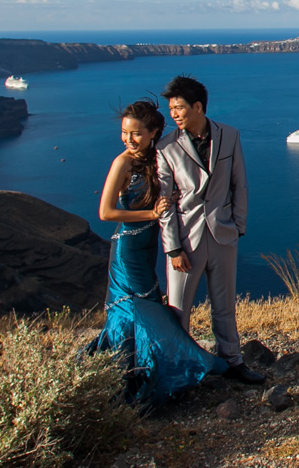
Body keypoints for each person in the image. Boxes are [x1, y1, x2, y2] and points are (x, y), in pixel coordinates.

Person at [86, 100, 229, 407]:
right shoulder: (121, 163)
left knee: (147, 307)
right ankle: (162, 372)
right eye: (125, 132)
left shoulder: (158, 157)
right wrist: (151, 215)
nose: (128, 139)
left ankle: (145, 370)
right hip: (127, 252)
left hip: (149, 249)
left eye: (135, 134)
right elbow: (106, 212)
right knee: (139, 311)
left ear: (153, 133)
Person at [157, 75, 264, 384]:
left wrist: (238, 226)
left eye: (178, 108)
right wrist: (173, 248)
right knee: (179, 310)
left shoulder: (229, 136)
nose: (173, 114)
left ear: (198, 107)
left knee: (225, 305)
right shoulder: (166, 148)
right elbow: (165, 204)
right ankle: (178, 371)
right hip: (186, 242)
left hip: (223, 235)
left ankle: (233, 362)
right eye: (171, 109)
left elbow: (239, 183)